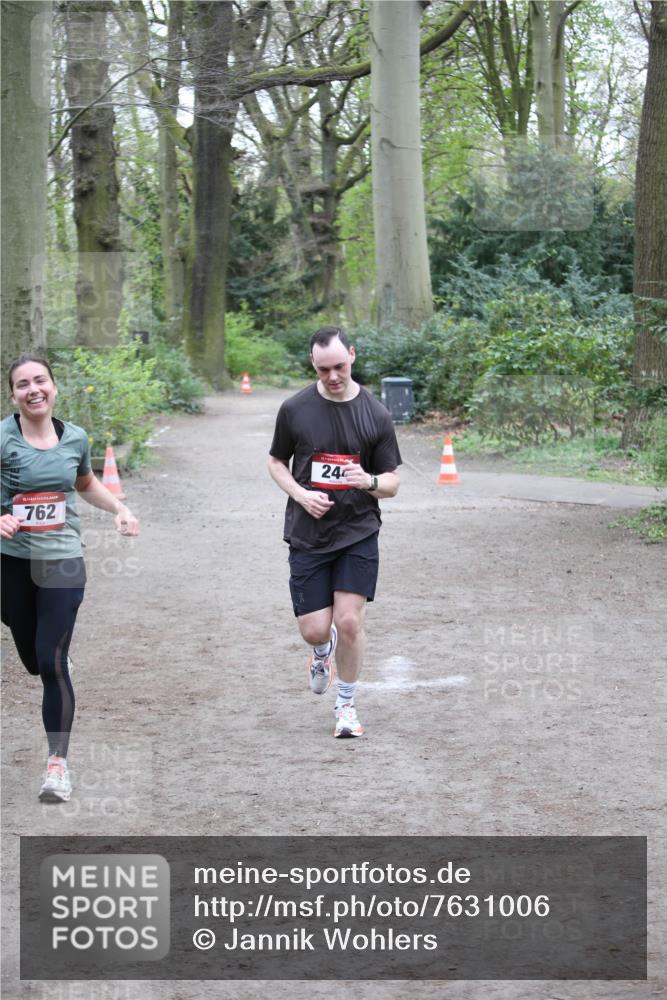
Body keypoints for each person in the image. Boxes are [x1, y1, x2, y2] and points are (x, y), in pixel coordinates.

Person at [0, 354, 139, 803]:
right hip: (12, 563)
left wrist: (119, 507)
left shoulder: (75, 437)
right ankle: (50, 658)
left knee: (53, 663)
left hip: (62, 561)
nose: (33, 389)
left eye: (40, 380)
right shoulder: (2, 439)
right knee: (33, 659)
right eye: (23, 384)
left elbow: (84, 483)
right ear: (13, 394)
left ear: (54, 387)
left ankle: (57, 764)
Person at [268, 327, 401, 738]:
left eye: (339, 366)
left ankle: (346, 705)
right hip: (309, 534)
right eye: (323, 369)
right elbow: (276, 462)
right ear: (313, 364)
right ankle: (320, 652)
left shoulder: (375, 414)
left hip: (358, 531)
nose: (332, 376)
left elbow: (393, 482)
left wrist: (368, 482)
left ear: (353, 357)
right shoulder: (295, 409)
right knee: (314, 628)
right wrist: (301, 495)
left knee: (349, 622)